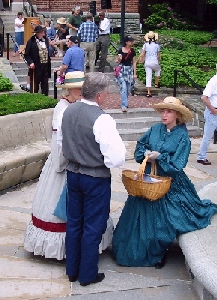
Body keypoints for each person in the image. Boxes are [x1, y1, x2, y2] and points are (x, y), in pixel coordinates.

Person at [112, 96, 217, 268]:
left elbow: (178, 164)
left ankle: (160, 250)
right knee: (141, 214)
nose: (164, 114)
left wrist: (160, 157)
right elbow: (140, 147)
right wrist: (145, 152)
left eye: (169, 111)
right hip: (148, 181)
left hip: (170, 182)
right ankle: (136, 248)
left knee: (168, 217)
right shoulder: (155, 129)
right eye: (163, 111)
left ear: (177, 114)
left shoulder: (183, 137)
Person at [61, 72, 126, 286]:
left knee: (74, 223)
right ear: (99, 96)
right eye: (106, 93)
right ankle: (87, 274)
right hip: (94, 178)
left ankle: (72, 270)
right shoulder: (102, 118)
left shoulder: (68, 110)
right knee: (92, 226)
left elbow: (64, 143)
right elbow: (116, 158)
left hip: (73, 174)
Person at [24, 25, 51, 96]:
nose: (43, 34)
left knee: (45, 84)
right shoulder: (31, 41)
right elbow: (27, 54)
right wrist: (31, 62)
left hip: (45, 65)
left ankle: (45, 98)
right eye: (42, 33)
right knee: (35, 84)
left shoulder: (46, 40)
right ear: (37, 33)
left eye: (43, 32)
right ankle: (34, 98)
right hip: (36, 66)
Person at [197, 74, 217, 165]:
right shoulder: (214, 81)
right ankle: (201, 157)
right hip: (213, 112)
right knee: (208, 136)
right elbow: (204, 97)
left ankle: (201, 156)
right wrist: (212, 109)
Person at [115, 35, 137, 113]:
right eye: (130, 41)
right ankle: (124, 105)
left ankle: (125, 102)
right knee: (123, 87)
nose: (132, 42)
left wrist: (135, 73)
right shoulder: (121, 50)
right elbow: (117, 61)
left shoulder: (132, 51)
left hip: (129, 70)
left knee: (128, 89)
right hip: (122, 69)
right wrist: (119, 59)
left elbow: (134, 62)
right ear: (126, 42)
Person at [139, 31, 161, 97]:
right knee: (158, 70)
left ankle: (149, 92)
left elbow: (142, 54)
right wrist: (159, 61)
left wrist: (139, 60)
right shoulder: (157, 45)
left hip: (147, 63)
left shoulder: (145, 45)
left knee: (148, 77)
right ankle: (156, 84)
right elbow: (159, 56)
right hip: (154, 62)